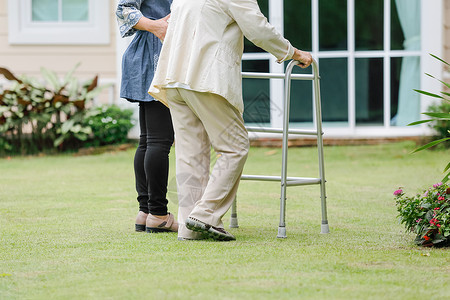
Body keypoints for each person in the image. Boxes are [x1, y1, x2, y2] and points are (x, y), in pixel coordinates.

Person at [149, 0, 312, 241]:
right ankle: (205, 215)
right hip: (204, 79)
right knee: (235, 146)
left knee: (190, 154)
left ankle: (188, 227)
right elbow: (258, 29)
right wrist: (293, 52)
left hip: (174, 78)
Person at [116, 0, 178, 233]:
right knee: (159, 141)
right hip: (156, 56)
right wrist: (157, 27)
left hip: (151, 55)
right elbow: (124, 8)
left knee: (149, 140)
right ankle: (159, 213)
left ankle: (146, 211)